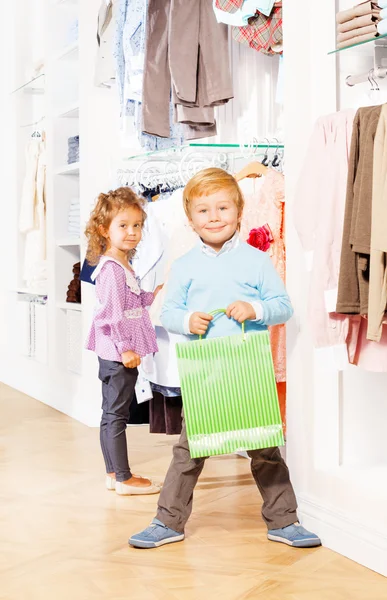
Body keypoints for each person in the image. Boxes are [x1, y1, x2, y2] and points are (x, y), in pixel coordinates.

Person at [129, 168, 321, 548]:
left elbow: (282, 306)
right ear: (189, 219)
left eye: (222, 208)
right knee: (189, 449)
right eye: (203, 210)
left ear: (239, 211)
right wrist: (186, 319)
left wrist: (254, 308)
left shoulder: (256, 261)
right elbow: (166, 314)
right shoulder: (184, 266)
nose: (213, 217)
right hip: (205, 372)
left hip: (248, 369)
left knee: (264, 446)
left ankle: (284, 521)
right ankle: (168, 522)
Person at [85, 187, 161, 496]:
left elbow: (131, 301)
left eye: (137, 225)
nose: (132, 232)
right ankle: (124, 478)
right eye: (123, 225)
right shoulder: (112, 271)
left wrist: (152, 296)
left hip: (114, 353)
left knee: (110, 412)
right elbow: (112, 316)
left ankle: (113, 472)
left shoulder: (121, 265)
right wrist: (126, 348)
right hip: (118, 354)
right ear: (104, 229)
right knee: (117, 414)